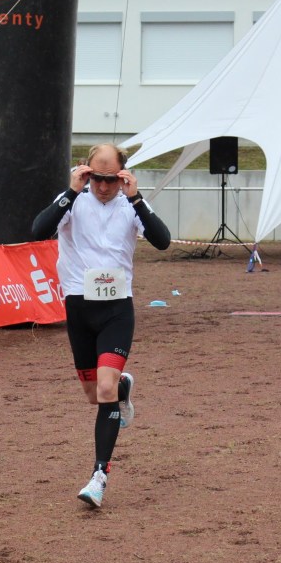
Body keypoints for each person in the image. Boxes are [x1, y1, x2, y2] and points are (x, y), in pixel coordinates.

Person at [31, 143, 171, 509]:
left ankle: (98, 476)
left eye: (111, 179)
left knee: (104, 390)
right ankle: (123, 387)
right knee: (95, 395)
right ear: (85, 172)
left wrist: (137, 197)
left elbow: (163, 241)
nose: (104, 187)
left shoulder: (131, 204)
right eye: (97, 178)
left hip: (116, 311)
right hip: (79, 310)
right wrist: (71, 190)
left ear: (123, 176)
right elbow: (38, 231)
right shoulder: (73, 200)